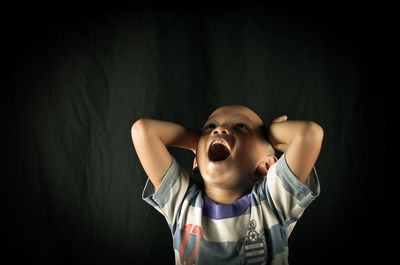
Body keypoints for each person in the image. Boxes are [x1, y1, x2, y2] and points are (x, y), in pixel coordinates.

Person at [131, 105, 323, 265]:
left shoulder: (272, 201)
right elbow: (143, 131)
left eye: (240, 127)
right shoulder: (182, 202)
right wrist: (199, 143)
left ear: (267, 165)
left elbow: (309, 134)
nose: (220, 130)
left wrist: (271, 133)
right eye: (210, 127)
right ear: (196, 162)